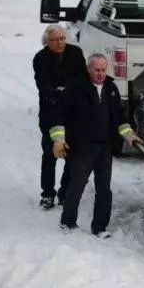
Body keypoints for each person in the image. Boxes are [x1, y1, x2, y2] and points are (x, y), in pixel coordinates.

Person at [49, 53, 143, 238]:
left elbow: (119, 116)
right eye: (96, 70)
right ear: (88, 69)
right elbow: (58, 114)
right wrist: (59, 139)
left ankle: (99, 227)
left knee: (104, 189)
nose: (100, 74)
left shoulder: (111, 88)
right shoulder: (75, 88)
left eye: (103, 70)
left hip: (104, 147)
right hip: (81, 146)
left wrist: (128, 134)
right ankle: (67, 222)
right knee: (77, 185)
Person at [33, 24, 86, 209]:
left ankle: (65, 192)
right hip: (50, 113)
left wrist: (67, 92)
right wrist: (61, 93)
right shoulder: (40, 58)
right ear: (47, 42)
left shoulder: (76, 53)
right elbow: (43, 85)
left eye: (63, 38)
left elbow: (81, 79)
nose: (60, 42)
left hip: (73, 113)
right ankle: (47, 194)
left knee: (71, 154)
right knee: (50, 154)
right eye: (55, 40)